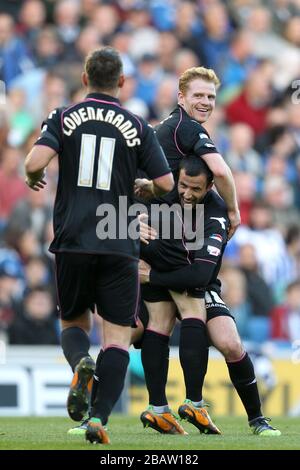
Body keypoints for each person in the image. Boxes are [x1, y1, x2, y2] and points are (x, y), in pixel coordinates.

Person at [24, 46, 174, 445]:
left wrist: (33, 176)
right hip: (119, 239)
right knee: (118, 337)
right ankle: (99, 419)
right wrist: (143, 186)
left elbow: (34, 162)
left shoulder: (63, 115)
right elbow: (165, 184)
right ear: (122, 82)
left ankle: (80, 362)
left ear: (85, 78)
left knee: (73, 323)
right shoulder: (138, 125)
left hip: (72, 237)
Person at [137, 156, 281, 437]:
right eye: (183, 186)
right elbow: (116, 219)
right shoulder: (159, 191)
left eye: (196, 189)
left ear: (211, 186)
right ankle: (147, 410)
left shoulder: (216, 212)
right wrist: (130, 228)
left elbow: (200, 276)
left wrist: (153, 277)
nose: (187, 194)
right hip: (155, 275)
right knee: (124, 335)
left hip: (191, 281)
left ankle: (257, 420)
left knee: (230, 343)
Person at [136, 66, 240, 240]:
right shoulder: (186, 126)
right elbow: (220, 171)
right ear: (181, 98)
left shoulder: (171, 124)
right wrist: (233, 211)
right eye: (198, 95)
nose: (206, 102)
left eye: (211, 97)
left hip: (141, 217)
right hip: (152, 225)